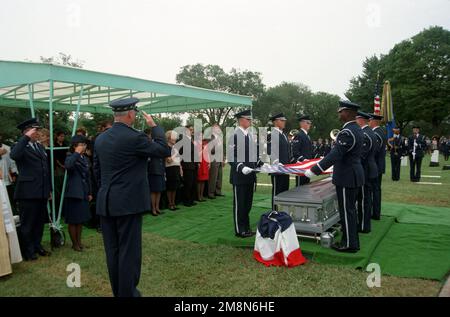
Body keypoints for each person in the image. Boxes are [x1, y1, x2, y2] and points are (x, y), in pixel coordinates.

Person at [93, 97, 170, 297]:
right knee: (129, 252)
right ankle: (128, 294)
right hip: (127, 203)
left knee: (113, 251)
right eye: (134, 113)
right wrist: (155, 126)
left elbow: (97, 171)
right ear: (130, 114)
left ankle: (119, 292)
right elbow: (163, 150)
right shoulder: (135, 137)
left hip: (106, 202)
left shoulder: (100, 138)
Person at [305, 101, 364, 253]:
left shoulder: (347, 132)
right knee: (349, 209)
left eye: (341, 111)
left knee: (347, 210)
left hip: (347, 177)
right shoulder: (356, 129)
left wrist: (315, 169)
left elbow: (336, 154)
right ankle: (350, 240)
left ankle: (350, 244)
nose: (339, 114)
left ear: (349, 112)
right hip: (352, 173)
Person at [10, 118, 52, 261]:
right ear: (26, 132)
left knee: (39, 222)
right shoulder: (19, 146)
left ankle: (37, 246)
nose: (37, 133)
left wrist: (49, 189)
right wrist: (25, 138)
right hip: (27, 193)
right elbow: (14, 155)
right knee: (27, 223)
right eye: (35, 131)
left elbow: (45, 170)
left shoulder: (39, 147)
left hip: (41, 192)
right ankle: (28, 251)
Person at [228, 109, 263, 238]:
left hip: (250, 175)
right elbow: (231, 157)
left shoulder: (249, 135)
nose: (250, 121)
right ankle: (239, 229)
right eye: (248, 119)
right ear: (241, 120)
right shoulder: (235, 135)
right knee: (240, 204)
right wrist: (241, 166)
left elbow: (252, 155)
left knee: (247, 204)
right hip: (240, 175)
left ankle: (246, 227)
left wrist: (261, 163)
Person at [63, 135, 92, 252]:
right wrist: (76, 153)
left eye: (85, 144)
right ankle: (74, 244)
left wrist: (90, 192)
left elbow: (88, 176)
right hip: (74, 192)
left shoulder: (84, 158)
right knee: (73, 220)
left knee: (80, 220)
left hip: (83, 192)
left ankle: (79, 242)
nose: (84, 146)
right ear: (75, 146)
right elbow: (68, 166)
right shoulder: (70, 156)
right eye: (82, 144)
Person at [355, 111, 378, 233]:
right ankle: (364, 223)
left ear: (361, 120)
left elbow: (361, 155)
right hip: (370, 168)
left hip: (365, 170)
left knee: (364, 199)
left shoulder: (365, 134)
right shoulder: (370, 132)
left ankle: (364, 226)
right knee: (366, 198)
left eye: (356, 119)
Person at [267, 113, 291, 210]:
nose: (284, 122)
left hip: (285, 168)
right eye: (282, 120)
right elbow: (269, 149)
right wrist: (277, 161)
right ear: (276, 122)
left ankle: (282, 213)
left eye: (284, 120)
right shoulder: (272, 134)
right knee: (277, 192)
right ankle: (275, 212)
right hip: (277, 169)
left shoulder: (284, 135)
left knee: (285, 192)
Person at [145, 128, 167, 216]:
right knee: (153, 191)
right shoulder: (148, 144)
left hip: (161, 169)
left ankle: (157, 207)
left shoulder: (158, 144)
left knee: (159, 190)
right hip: (153, 170)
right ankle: (153, 208)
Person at [369, 114, 386, 220]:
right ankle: (376, 212)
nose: (368, 122)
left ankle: (375, 213)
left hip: (375, 165)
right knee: (376, 189)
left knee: (375, 190)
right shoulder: (381, 132)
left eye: (370, 120)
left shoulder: (376, 133)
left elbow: (374, 151)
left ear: (374, 121)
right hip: (379, 164)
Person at [179, 125, 198, 207]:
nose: (192, 131)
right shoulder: (183, 140)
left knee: (193, 183)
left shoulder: (191, 140)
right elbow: (181, 152)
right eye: (190, 130)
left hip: (193, 165)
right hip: (187, 165)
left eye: (192, 130)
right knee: (188, 184)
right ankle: (186, 201)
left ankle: (191, 199)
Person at [292, 115, 313, 186]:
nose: (310, 124)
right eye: (308, 123)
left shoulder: (307, 136)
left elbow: (309, 151)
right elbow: (295, 151)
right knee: (300, 186)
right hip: (301, 166)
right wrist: (304, 160)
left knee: (306, 186)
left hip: (307, 166)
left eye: (310, 123)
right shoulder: (299, 135)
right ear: (302, 123)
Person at [0, 134, 18, 214]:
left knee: (10, 199)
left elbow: (12, 162)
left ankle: (14, 215)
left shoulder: (6, 148)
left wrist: (14, 174)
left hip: (7, 178)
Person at [165, 130, 182, 211]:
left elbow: (178, 159)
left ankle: (173, 203)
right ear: (169, 138)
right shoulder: (166, 147)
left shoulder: (175, 148)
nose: (175, 139)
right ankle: (170, 204)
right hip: (169, 168)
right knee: (170, 187)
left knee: (175, 187)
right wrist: (174, 155)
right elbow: (168, 160)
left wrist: (181, 169)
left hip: (176, 168)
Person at [207, 123, 224, 199]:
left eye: (219, 128)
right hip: (213, 159)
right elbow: (210, 150)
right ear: (213, 129)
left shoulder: (220, 137)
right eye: (217, 128)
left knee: (219, 176)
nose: (218, 129)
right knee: (213, 177)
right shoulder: (210, 137)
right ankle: (211, 193)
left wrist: (223, 159)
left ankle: (218, 191)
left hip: (220, 159)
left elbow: (222, 149)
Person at [196, 134, 209, 202]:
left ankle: (202, 195)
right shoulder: (197, 144)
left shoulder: (206, 144)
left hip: (205, 162)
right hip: (200, 162)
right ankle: (198, 196)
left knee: (203, 180)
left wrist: (209, 162)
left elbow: (207, 154)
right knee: (199, 180)